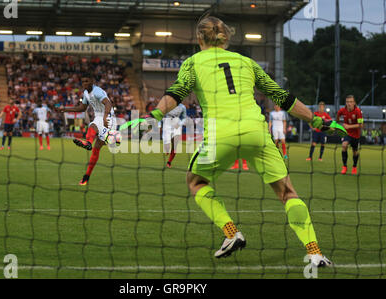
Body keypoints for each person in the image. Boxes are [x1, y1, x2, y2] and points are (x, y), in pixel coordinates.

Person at [141, 16, 343, 267]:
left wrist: (154, 115)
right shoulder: (247, 62)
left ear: (198, 38)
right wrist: (315, 120)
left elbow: (177, 93)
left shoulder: (192, 63)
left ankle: (230, 232)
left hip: (220, 135)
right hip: (255, 132)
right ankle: (314, 253)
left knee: (195, 181)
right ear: (226, 38)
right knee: (288, 192)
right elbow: (282, 96)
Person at [58, 75, 116, 186]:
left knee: (93, 126)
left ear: (92, 81)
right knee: (96, 148)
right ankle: (86, 176)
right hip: (100, 117)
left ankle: (89, 142)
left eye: (87, 81)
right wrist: (65, 109)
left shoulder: (97, 91)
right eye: (83, 81)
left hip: (108, 116)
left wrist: (105, 117)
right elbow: (82, 108)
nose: (85, 83)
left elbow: (108, 103)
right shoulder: (85, 93)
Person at [336, 95, 363, 175]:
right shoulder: (342, 110)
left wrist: (349, 126)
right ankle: (344, 166)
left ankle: (354, 167)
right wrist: (337, 126)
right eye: (347, 102)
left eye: (351, 102)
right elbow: (337, 118)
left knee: (355, 152)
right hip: (346, 133)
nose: (349, 103)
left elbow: (361, 125)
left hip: (356, 135)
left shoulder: (358, 111)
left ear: (354, 103)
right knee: (344, 146)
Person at [162, 103, 187, 168]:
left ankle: (169, 162)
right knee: (167, 142)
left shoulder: (182, 107)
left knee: (175, 145)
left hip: (176, 125)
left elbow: (184, 118)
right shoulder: (168, 104)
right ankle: (167, 148)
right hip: (167, 123)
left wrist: (180, 124)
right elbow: (161, 114)